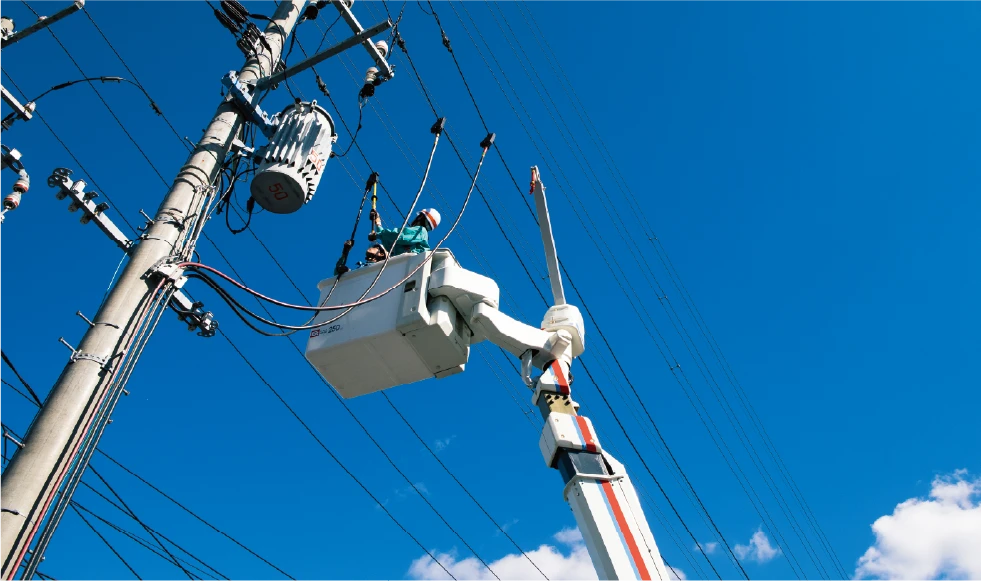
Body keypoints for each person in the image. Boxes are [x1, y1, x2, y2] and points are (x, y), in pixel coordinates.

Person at [372, 208, 441, 257]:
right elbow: (389, 243)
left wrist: (378, 235)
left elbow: (400, 237)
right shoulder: (418, 237)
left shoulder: (421, 231)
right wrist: (378, 223)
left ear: (421, 218)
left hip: (409, 265)